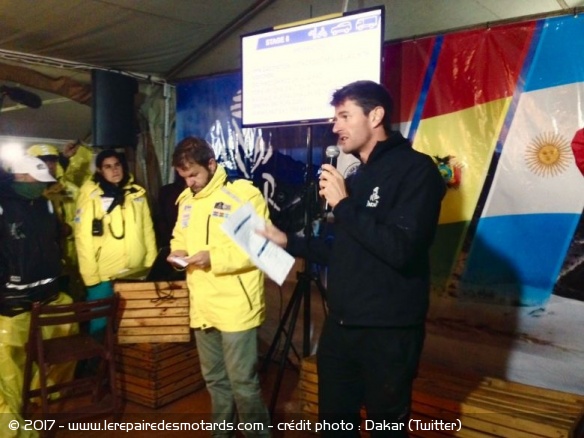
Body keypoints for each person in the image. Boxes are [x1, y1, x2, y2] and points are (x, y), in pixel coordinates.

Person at [258, 80, 446, 437]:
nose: (335, 126)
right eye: (335, 117)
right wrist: (289, 240)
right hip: (342, 329)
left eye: (344, 115)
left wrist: (343, 205)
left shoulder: (416, 171)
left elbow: (400, 250)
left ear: (375, 115)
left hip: (388, 334)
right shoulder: (358, 176)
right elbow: (345, 250)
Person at [167, 137, 271, 437]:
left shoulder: (242, 196)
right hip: (202, 304)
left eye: (194, 175)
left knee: (243, 384)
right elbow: (179, 237)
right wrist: (177, 253)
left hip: (236, 305)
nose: (189, 182)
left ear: (211, 164)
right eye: (184, 177)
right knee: (215, 381)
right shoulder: (186, 200)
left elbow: (258, 247)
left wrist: (213, 257)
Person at [0, 155, 77, 436]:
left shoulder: (44, 203)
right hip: (12, 303)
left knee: (62, 343)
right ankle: (13, 430)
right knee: (8, 371)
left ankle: (38, 398)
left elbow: (51, 239)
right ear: (20, 176)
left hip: (48, 296)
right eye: (37, 181)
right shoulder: (3, 206)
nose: (43, 187)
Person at [74, 149, 156, 333]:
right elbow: (82, 238)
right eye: (108, 166)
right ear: (100, 171)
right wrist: (90, 276)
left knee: (133, 324)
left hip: (136, 271)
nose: (114, 170)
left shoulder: (137, 194)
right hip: (104, 275)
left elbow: (147, 230)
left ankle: (121, 362)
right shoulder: (91, 196)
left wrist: (150, 264)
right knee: (100, 326)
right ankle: (98, 361)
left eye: (117, 165)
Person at [27, 143, 84, 301]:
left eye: (52, 161)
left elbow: (85, 220)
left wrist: (71, 229)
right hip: (42, 264)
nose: (49, 165)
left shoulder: (72, 190)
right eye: (43, 161)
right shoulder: (26, 195)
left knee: (74, 298)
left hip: (74, 256)